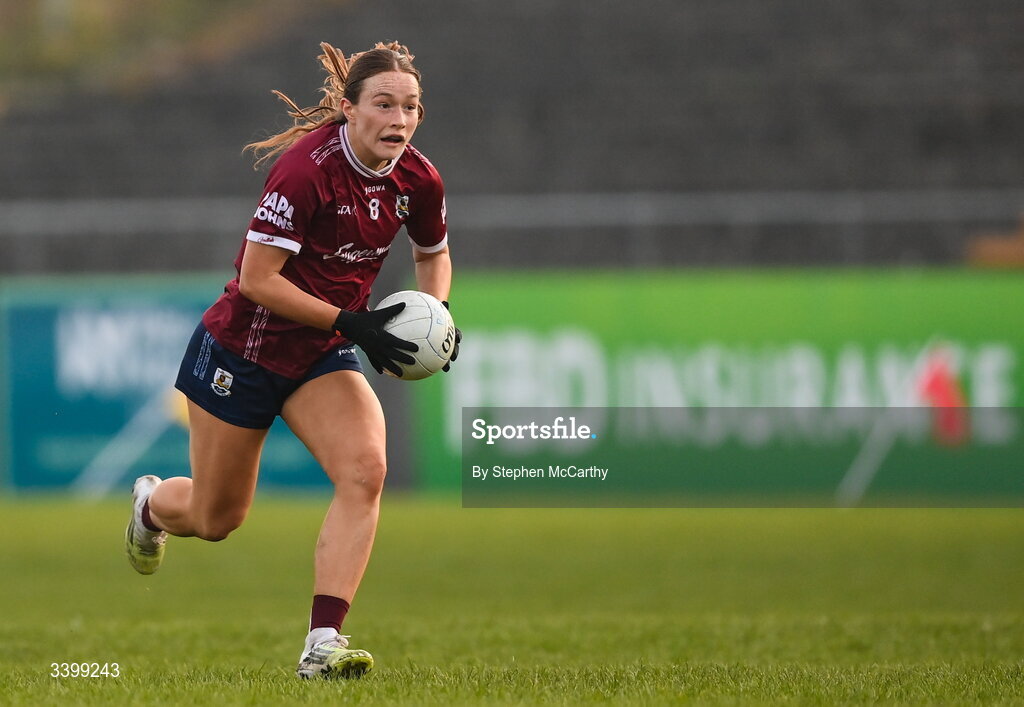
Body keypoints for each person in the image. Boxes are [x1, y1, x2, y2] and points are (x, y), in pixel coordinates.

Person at [123, 40, 460, 680]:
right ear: (347, 108)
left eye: (410, 107)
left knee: (365, 471)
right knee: (216, 519)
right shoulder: (308, 171)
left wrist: (433, 316)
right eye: (383, 104)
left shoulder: (419, 178)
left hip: (321, 352)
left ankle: (323, 642)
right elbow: (257, 279)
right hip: (243, 350)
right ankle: (150, 506)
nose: (399, 119)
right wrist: (353, 321)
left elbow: (433, 254)